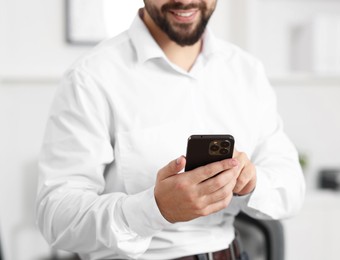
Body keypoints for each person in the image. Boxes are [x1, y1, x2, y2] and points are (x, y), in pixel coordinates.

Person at [36, 0, 306, 259]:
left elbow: (292, 188)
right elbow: (55, 216)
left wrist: (251, 182)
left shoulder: (246, 71)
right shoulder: (91, 77)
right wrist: (155, 209)